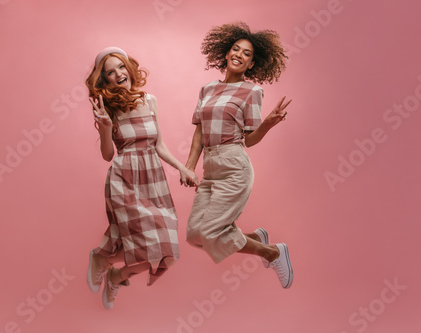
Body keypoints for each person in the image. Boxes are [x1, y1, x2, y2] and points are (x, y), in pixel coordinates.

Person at [85, 47, 198, 309]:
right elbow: (107, 155)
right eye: (110, 73)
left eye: (121, 67)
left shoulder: (150, 100)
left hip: (153, 178)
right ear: (106, 80)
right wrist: (104, 128)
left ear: (129, 68)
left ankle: (115, 273)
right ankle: (101, 260)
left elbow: (158, 145)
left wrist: (182, 168)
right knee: (141, 242)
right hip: (124, 178)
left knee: (166, 248)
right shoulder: (107, 108)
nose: (118, 74)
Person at [184, 22, 294, 288]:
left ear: (251, 64)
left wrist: (268, 123)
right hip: (210, 167)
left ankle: (274, 252)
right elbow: (199, 133)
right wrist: (189, 167)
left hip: (234, 165)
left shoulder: (252, 91)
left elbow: (250, 140)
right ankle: (256, 237)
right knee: (194, 235)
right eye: (236, 49)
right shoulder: (206, 89)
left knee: (210, 231)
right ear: (225, 53)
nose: (239, 55)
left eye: (246, 54)